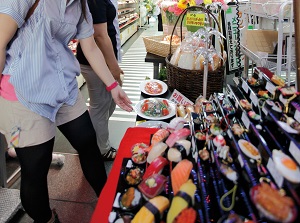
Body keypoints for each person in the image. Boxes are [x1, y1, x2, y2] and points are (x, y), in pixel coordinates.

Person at [0, 0, 133, 222]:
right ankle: (48, 219)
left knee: (88, 142)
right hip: (24, 91)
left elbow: (89, 46)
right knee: (35, 168)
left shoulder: (81, 5)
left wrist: (112, 86)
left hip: (63, 84)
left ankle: (112, 205)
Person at [76, 0, 123, 161]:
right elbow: (100, 35)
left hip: (104, 61)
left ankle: (94, 137)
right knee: (100, 106)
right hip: (96, 63)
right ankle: (102, 149)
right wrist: (114, 67)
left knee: (107, 104)